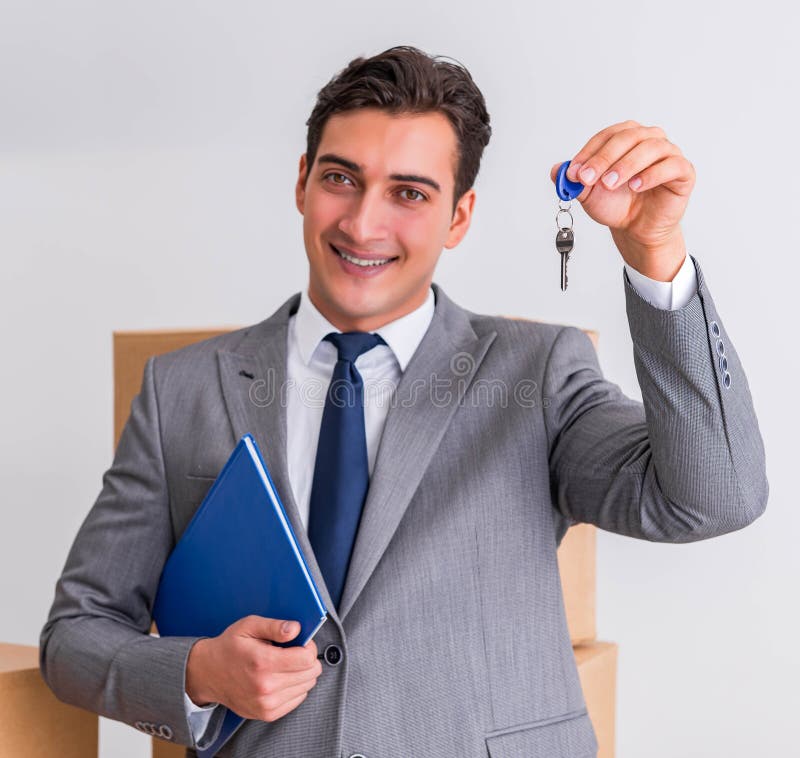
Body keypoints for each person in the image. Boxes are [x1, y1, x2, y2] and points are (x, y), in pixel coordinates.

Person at [39, 45, 768, 757]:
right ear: (302, 182)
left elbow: (714, 498)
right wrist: (196, 673)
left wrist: (656, 257)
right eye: (341, 178)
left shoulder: (536, 374)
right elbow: (76, 634)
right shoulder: (182, 389)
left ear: (459, 216)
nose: (362, 224)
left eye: (410, 193)